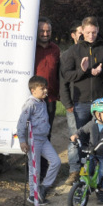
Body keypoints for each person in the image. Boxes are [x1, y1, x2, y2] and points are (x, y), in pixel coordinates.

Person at [61, 17, 103, 188]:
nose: (91, 35)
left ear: (98, 30)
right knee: (81, 139)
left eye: (94, 32)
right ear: (81, 31)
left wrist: (101, 72)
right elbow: (67, 75)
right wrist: (83, 71)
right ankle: (81, 175)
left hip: (101, 102)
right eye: (88, 32)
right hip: (81, 102)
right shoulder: (73, 51)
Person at [16, 76, 61, 205]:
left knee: (56, 161)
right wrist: (22, 140)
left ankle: (43, 187)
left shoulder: (42, 102)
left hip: (44, 139)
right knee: (35, 168)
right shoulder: (30, 104)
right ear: (33, 90)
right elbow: (21, 123)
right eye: (42, 88)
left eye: (46, 87)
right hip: (33, 140)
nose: (46, 90)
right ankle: (33, 195)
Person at [70, 98, 103, 205]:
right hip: (92, 152)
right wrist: (76, 134)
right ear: (97, 115)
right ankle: (83, 185)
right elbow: (82, 130)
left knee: (102, 173)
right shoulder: (92, 124)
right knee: (87, 169)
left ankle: (101, 191)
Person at [34, 17, 60, 181]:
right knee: (32, 134)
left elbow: (58, 73)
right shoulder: (30, 48)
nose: (45, 33)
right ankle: (33, 168)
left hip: (50, 99)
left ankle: (43, 170)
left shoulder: (56, 49)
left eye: (47, 30)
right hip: (33, 99)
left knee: (46, 134)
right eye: (42, 31)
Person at [61, 20, 83, 186]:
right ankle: (74, 171)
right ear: (73, 35)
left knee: (93, 138)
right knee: (74, 138)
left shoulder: (91, 52)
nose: (83, 36)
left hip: (91, 103)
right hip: (74, 104)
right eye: (80, 33)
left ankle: (91, 169)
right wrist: (68, 104)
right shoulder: (67, 55)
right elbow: (63, 83)